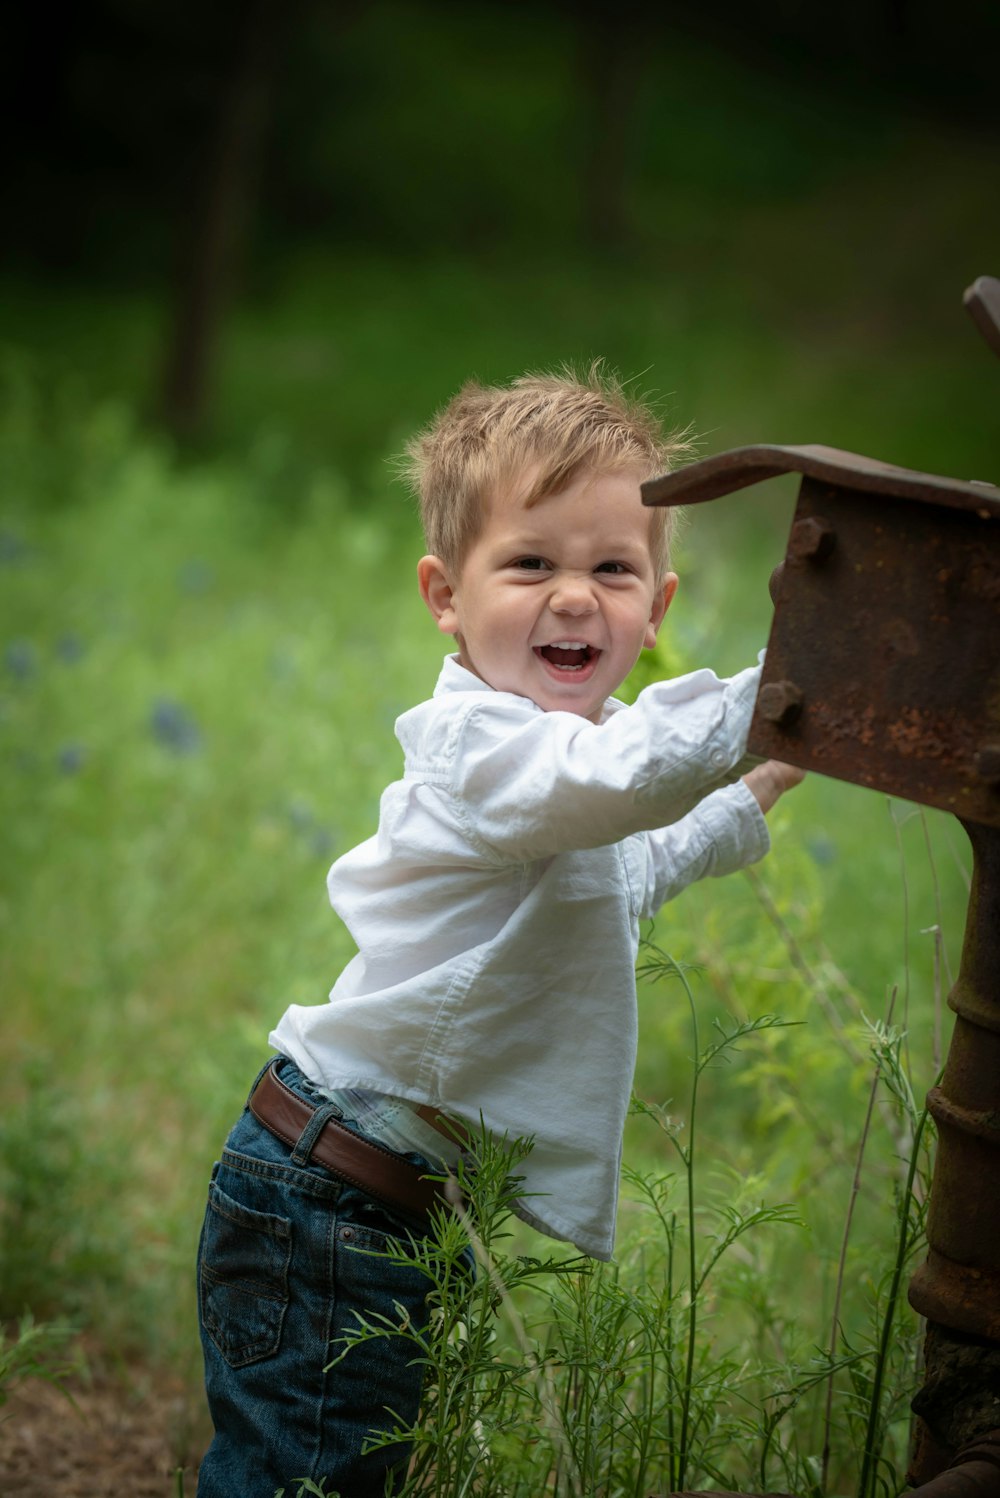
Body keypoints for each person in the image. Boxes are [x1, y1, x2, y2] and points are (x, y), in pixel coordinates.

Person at [195, 367, 803, 1497]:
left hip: (384, 1204)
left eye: (612, 569)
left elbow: (636, 859)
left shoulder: (568, 772)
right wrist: (802, 673)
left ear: (658, 608)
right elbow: (624, 782)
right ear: (444, 592)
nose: (574, 596)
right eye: (530, 563)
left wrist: (765, 773)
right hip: (325, 1202)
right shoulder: (480, 750)